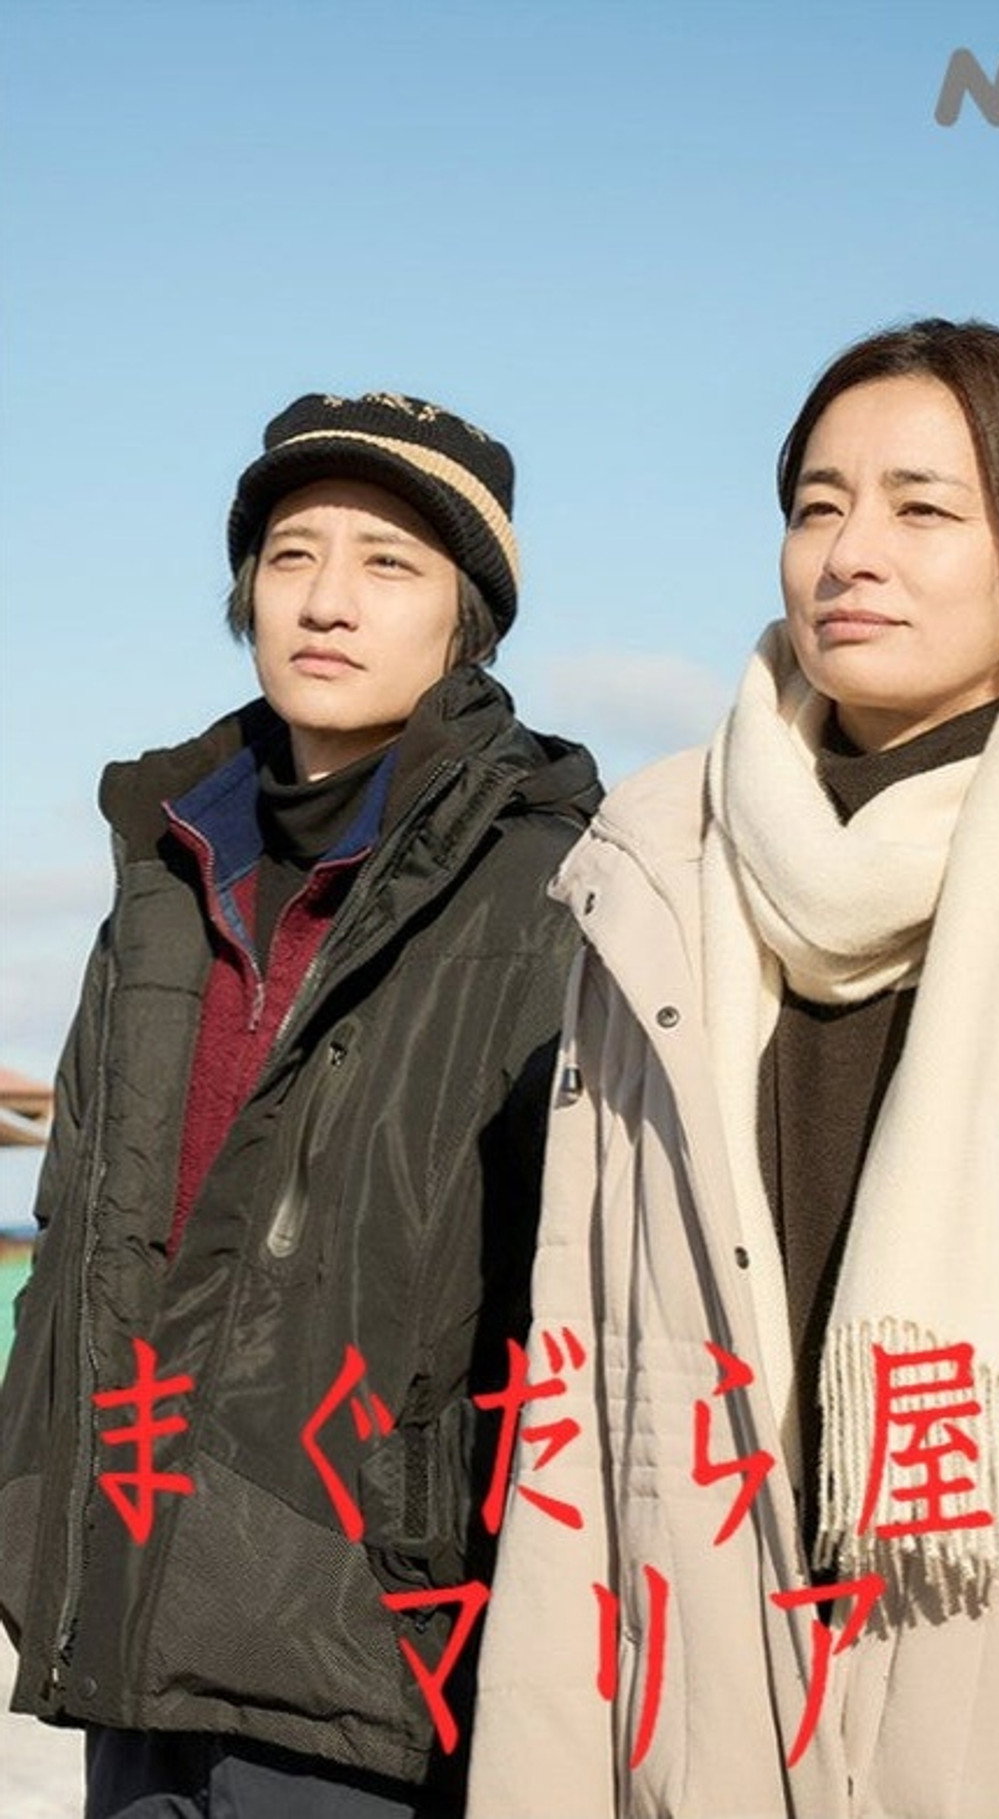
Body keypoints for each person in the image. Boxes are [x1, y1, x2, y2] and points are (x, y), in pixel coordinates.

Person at [467, 320, 999, 1819]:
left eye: (923, 508)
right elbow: (575, 1391)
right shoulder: (656, 877)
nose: (851, 553)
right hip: (709, 1722)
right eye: (818, 505)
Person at [0, 389, 600, 1817]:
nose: (327, 600)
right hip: (122, 1598)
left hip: (368, 1652)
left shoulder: (558, 884)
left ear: (469, 619)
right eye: (290, 556)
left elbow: (570, 1287)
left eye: (389, 563)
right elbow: (80, 1224)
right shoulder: (167, 865)